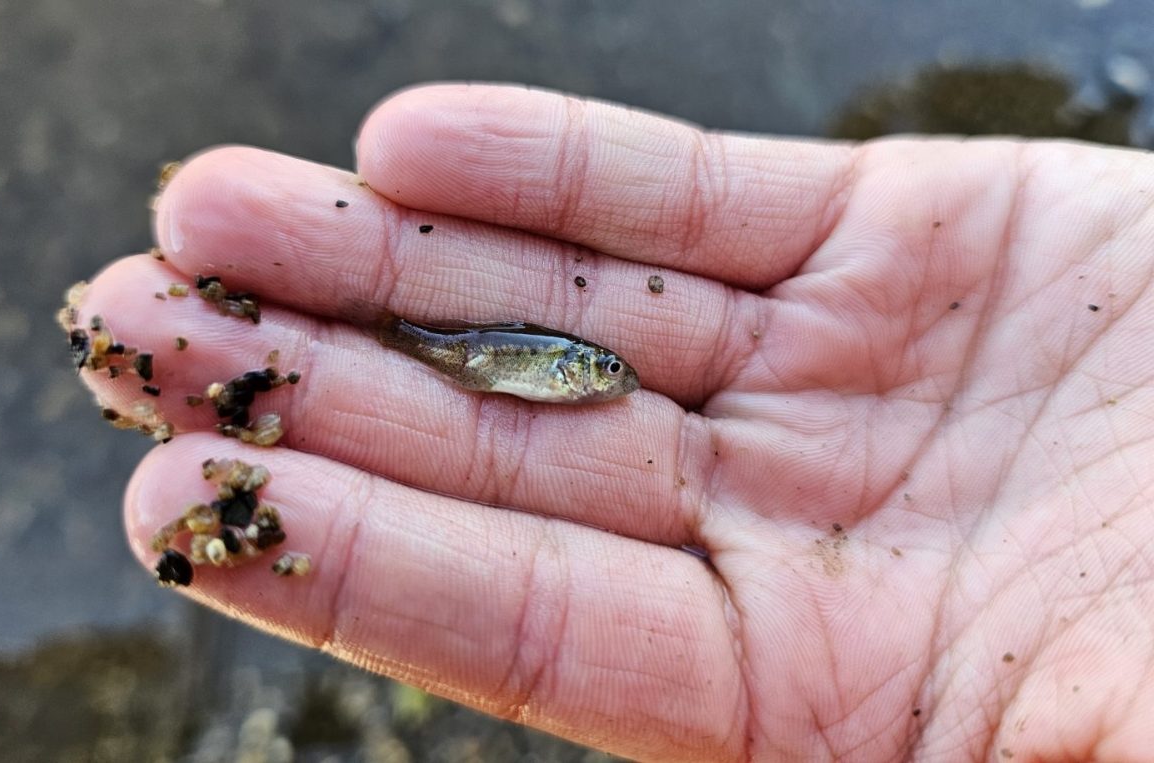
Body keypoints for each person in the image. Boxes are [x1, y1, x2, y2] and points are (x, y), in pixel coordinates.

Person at [72, 83, 1154, 761]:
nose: (600, 376)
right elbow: (523, 363)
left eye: (595, 368)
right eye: (596, 366)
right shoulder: (536, 363)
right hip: (465, 351)